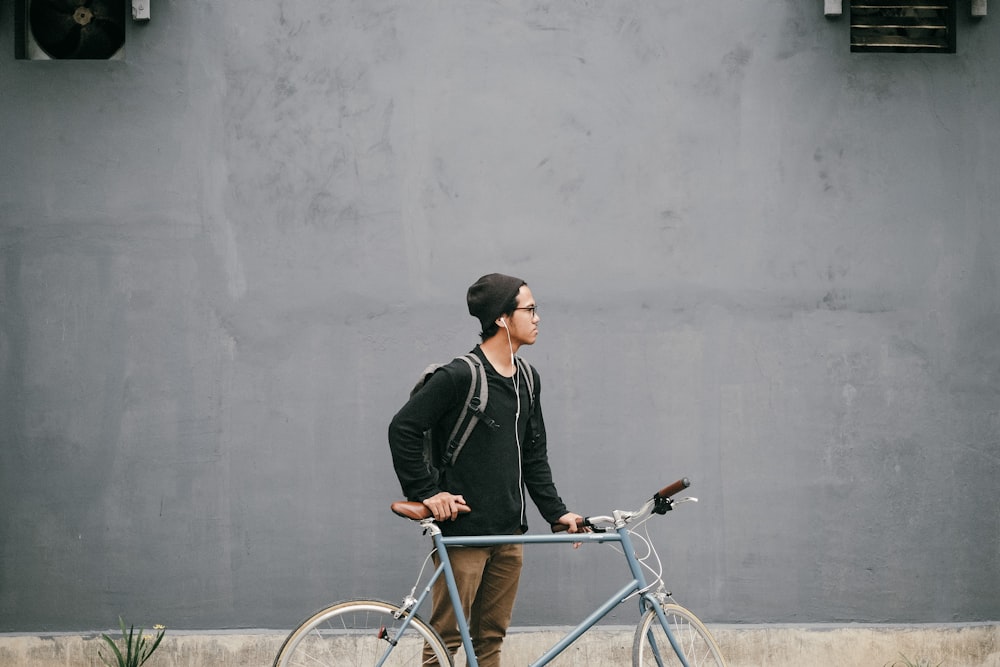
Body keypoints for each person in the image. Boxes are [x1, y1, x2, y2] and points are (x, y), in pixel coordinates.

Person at [388, 272, 584, 667]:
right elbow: (403, 428)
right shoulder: (460, 376)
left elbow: (534, 454)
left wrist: (556, 513)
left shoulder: (528, 379)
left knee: (491, 640)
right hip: (465, 533)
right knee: (445, 640)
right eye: (529, 309)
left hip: (509, 534)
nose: (537, 317)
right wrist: (428, 492)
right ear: (501, 318)